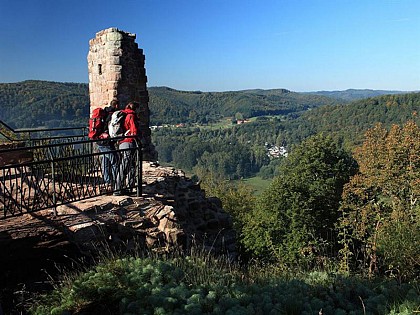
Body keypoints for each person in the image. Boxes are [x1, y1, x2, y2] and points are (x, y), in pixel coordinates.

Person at [114, 101, 140, 196]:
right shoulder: (131, 116)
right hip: (129, 142)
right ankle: (119, 188)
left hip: (122, 142)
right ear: (135, 108)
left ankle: (127, 187)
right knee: (126, 165)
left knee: (130, 165)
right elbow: (134, 130)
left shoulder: (125, 114)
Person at [97, 99, 119, 188]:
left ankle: (107, 181)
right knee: (114, 160)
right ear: (116, 106)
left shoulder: (104, 113)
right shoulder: (113, 115)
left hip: (99, 140)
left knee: (105, 161)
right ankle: (115, 182)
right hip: (107, 141)